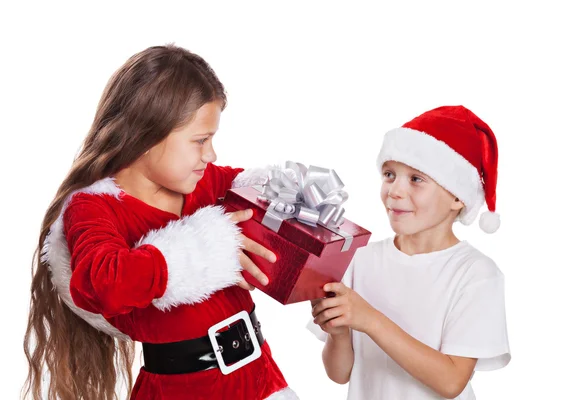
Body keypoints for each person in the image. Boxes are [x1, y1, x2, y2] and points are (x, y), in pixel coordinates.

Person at [23, 44, 298, 400]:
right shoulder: (94, 208)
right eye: (200, 141)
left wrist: (291, 195)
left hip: (262, 381)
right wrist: (202, 250)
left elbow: (260, 197)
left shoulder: (208, 183)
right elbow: (102, 282)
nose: (210, 155)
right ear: (146, 135)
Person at [308, 105, 511, 399]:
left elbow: (452, 381)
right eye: (389, 174)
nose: (395, 191)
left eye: (416, 179)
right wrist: (339, 333)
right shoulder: (359, 258)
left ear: (457, 196)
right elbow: (339, 374)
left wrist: (369, 319)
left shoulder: (476, 273)